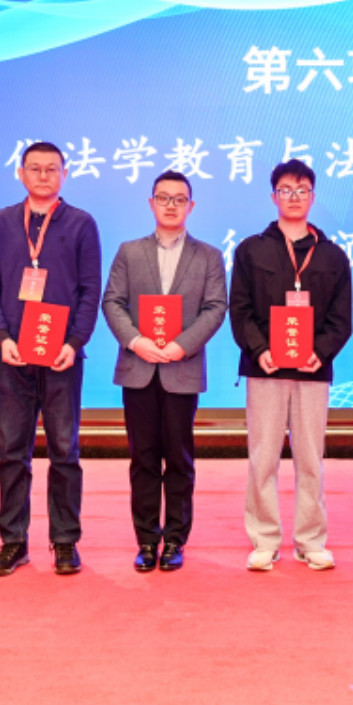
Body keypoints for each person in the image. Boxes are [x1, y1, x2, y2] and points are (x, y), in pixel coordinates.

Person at [0, 142, 102, 577]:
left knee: (65, 451)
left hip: (62, 358)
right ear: (21, 173)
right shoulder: (0, 222)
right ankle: (13, 541)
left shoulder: (82, 223)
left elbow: (90, 290)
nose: (44, 176)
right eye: (35, 168)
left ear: (65, 174)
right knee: (13, 452)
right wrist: (1, 337)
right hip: (11, 357)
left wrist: (75, 341)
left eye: (52, 169)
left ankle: (65, 541)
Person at [228, 159, 353, 572]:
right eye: (286, 190)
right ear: (273, 197)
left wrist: (322, 350)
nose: (294, 197)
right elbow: (240, 309)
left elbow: (341, 318)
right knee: (262, 457)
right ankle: (264, 540)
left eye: (302, 190)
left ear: (313, 197)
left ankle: (310, 540)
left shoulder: (332, 255)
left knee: (310, 459)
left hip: (313, 370)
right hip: (264, 368)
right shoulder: (251, 249)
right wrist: (259, 349)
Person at [101, 170, 228, 573]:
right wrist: (136, 341)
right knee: (142, 458)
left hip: (181, 369)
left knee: (178, 458)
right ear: (151, 203)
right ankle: (146, 540)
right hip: (138, 367)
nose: (171, 205)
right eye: (163, 197)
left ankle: (175, 538)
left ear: (191, 206)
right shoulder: (129, 252)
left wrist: (181, 345)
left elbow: (215, 308)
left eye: (179, 199)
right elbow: (112, 302)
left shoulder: (208, 256)